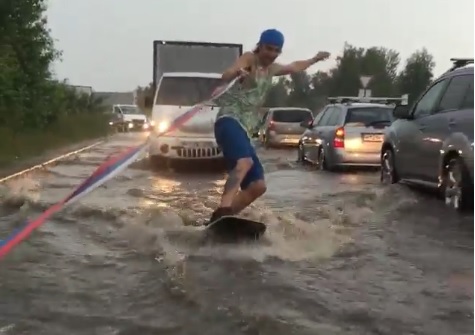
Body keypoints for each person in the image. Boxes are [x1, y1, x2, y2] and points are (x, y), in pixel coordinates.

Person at [207, 28, 330, 224]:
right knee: (244, 163)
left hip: (245, 129)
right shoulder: (249, 59)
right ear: (260, 46)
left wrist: (315, 59)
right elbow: (227, 74)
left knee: (258, 186)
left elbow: (294, 67)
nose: (271, 55)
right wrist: (236, 73)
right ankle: (223, 210)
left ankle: (222, 222)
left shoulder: (271, 70)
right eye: (268, 49)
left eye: (276, 51)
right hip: (228, 120)